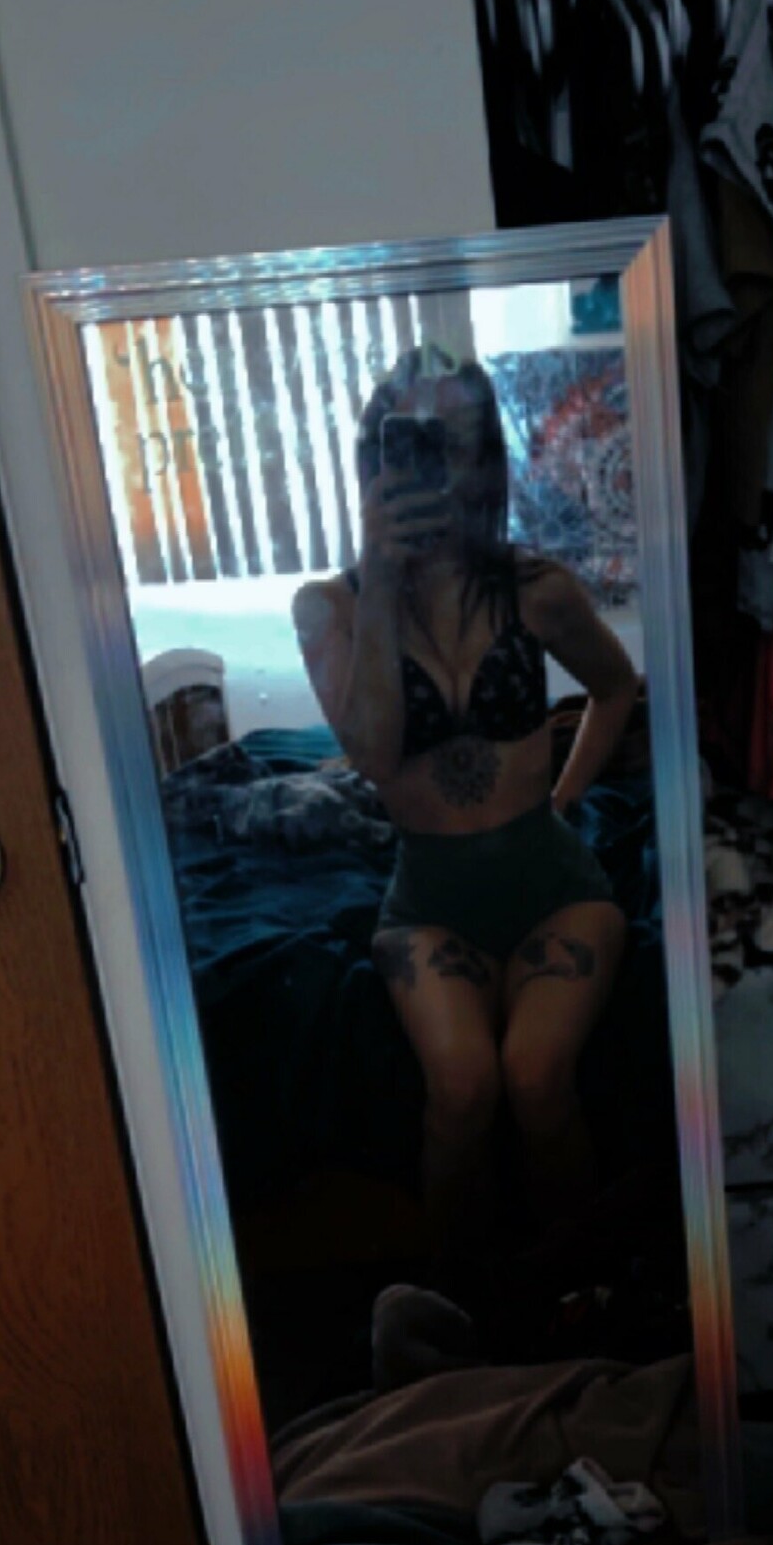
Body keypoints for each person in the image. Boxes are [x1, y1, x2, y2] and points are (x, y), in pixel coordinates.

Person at [293, 344, 639, 1251]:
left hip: (555, 884)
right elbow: (374, 756)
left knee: (535, 1076)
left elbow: (615, 688)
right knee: (461, 1087)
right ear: (378, 456)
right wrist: (379, 577)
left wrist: (564, 797)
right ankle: (457, 1305)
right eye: (415, 442)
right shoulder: (329, 608)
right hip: (427, 904)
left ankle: (581, 1292)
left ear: (485, 460)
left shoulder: (538, 590)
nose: (438, 468)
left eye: (458, 443)